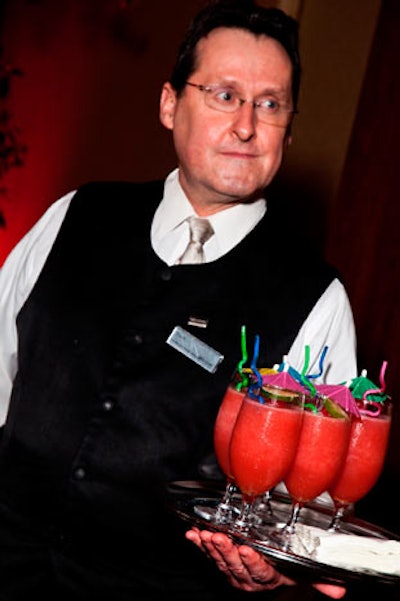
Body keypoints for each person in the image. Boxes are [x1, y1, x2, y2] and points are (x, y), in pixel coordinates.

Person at [0, 0, 357, 599]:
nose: (245, 125)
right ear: (170, 104)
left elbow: (310, 512)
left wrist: (281, 565)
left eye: (269, 104)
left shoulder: (316, 299)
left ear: (289, 130)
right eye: (223, 94)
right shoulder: (76, 215)